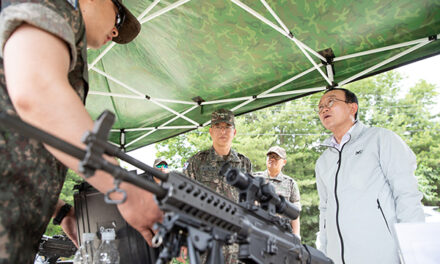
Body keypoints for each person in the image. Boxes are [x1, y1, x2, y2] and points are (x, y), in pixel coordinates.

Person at [0, 1, 162, 263]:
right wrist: (123, 188)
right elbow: (36, 93)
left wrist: (61, 212)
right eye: (118, 18)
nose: (116, 33)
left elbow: (21, 130)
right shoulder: (58, 7)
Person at [314, 88, 425, 264]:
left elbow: (407, 195)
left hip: (381, 256)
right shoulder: (323, 161)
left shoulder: (381, 139)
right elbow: (325, 210)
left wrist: (414, 254)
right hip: (336, 258)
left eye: (331, 102)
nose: (324, 109)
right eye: (320, 107)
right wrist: (324, 253)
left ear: (353, 108)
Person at [184, 108, 251, 263]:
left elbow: (249, 204)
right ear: (211, 131)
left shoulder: (244, 163)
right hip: (207, 241)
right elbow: (186, 202)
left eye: (227, 127)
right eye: (218, 127)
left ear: (234, 132)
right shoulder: (197, 162)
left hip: (237, 243)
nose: (223, 131)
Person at [256, 146, 301, 237]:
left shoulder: (290, 183)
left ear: (284, 162)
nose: (272, 159)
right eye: (269, 156)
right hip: (258, 231)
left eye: (276, 157)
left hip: (282, 233)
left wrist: (296, 236)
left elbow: (295, 214)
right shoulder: (256, 179)